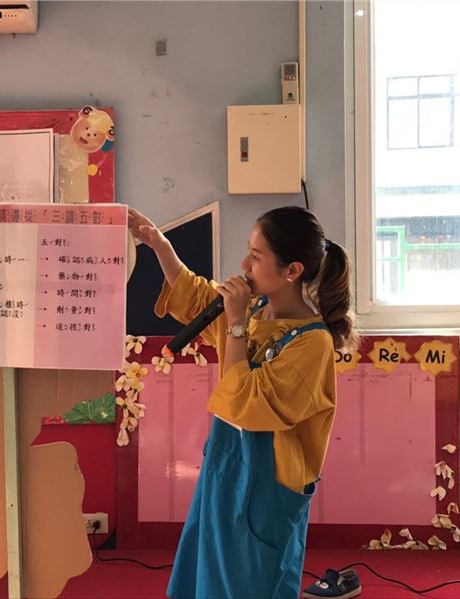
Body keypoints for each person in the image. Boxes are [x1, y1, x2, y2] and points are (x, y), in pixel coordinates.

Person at [128, 205, 357, 599]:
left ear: (292, 271)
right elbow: (196, 296)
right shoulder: (253, 309)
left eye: (256, 256)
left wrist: (236, 326)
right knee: (206, 579)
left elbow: (247, 405)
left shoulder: (312, 343)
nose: (244, 265)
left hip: (267, 490)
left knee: (250, 584)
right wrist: (160, 246)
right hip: (225, 471)